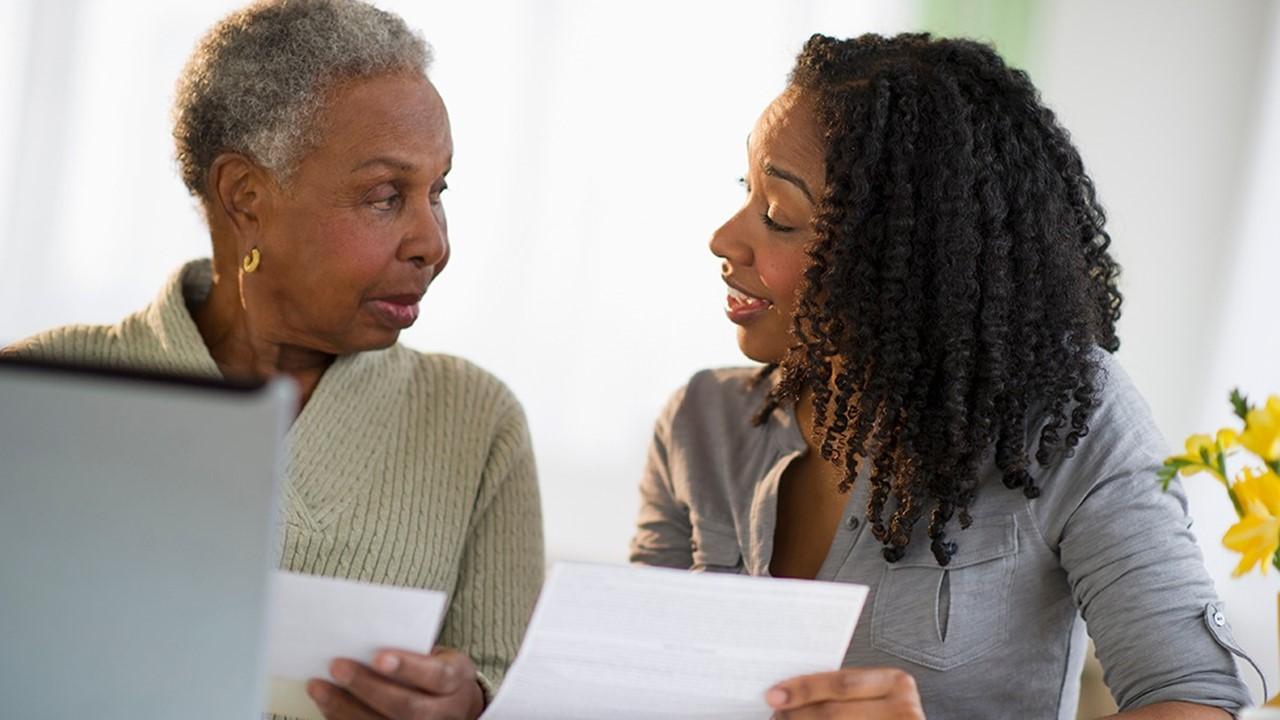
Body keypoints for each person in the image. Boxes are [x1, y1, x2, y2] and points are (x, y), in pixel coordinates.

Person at [630, 33, 1254, 719]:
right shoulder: (700, 425)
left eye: (778, 215)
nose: (725, 238)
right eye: (746, 192)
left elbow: (1194, 703)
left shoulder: (1068, 423)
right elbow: (634, 689)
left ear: (907, 254)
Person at [1, 2, 542, 718]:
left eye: (437, 192)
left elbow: (522, 691)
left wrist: (470, 706)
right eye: (386, 196)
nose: (432, 243)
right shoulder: (38, 394)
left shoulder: (475, 422)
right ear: (246, 197)